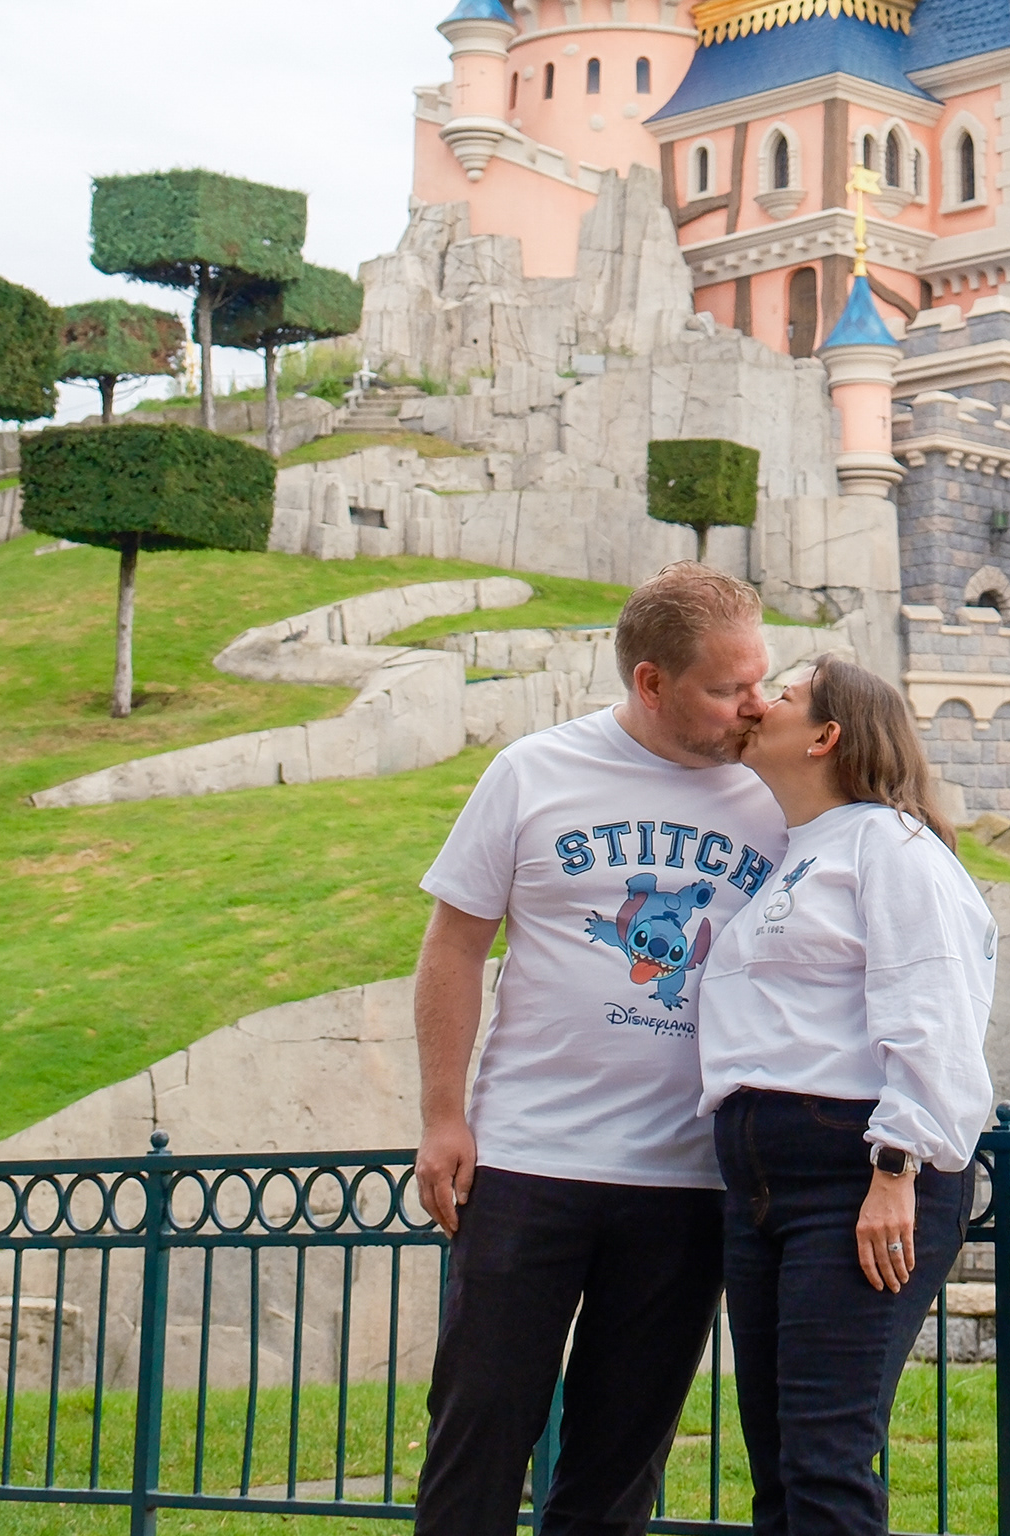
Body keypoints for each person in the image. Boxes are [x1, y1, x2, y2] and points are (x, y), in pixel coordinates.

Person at [410, 561, 785, 1536]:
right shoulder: (532, 772)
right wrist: (443, 1115)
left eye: (763, 678)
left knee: (617, 1470)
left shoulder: (780, 794)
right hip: (528, 1162)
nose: (756, 705)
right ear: (651, 682)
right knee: (478, 1438)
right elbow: (454, 945)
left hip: (688, 1179)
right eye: (728, 688)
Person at [696, 653, 1001, 1536]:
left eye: (783, 697)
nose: (760, 705)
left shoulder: (892, 846)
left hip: (855, 1173)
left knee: (825, 1456)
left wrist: (897, 1166)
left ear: (826, 736)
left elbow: (933, 1007)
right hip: (763, 1185)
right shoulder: (798, 854)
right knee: (779, 1463)